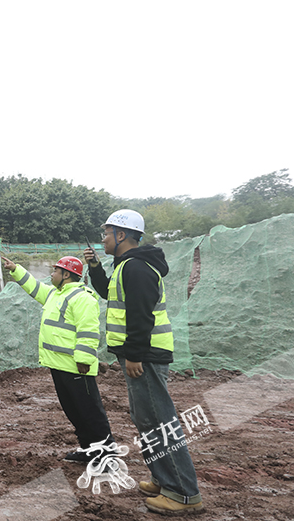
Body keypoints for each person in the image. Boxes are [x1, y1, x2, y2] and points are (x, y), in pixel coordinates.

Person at [84, 209, 204, 515]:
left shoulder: (136, 268)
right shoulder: (128, 267)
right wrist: (96, 268)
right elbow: (111, 295)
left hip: (145, 355)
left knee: (160, 422)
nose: (103, 239)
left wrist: (135, 354)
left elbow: (141, 315)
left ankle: (182, 493)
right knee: (147, 419)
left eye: (107, 233)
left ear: (121, 235)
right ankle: (164, 480)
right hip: (140, 354)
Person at [1, 254, 114, 463]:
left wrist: (84, 360)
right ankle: (89, 450)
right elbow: (33, 287)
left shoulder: (82, 297)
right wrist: (15, 269)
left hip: (76, 367)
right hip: (59, 365)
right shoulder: (56, 294)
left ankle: (106, 456)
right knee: (74, 412)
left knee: (90, 413)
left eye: (55, 271)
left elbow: (88, 331)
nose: (51, 274)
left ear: (66, 275)